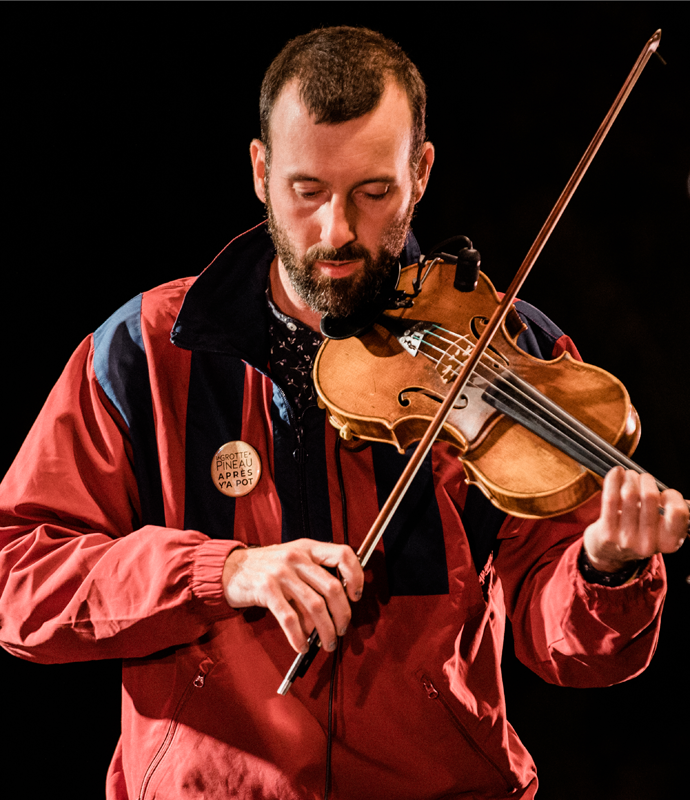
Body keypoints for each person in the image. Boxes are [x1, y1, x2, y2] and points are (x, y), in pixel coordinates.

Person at [0, 26, 686, 800]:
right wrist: (220, 571)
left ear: (420, 172)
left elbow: (570, 647)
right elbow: (18, 580)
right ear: (260, 172)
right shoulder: (146, 351)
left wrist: (607, 569)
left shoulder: (504, 344)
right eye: (308, 191)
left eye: (373, 192)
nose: (337, 232)